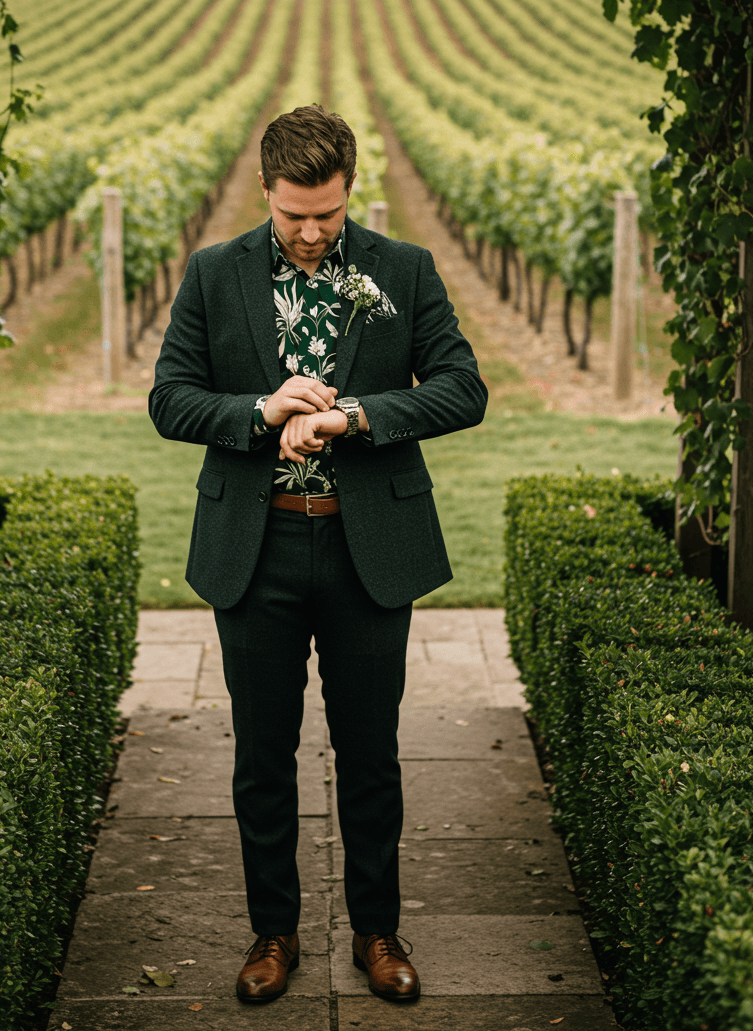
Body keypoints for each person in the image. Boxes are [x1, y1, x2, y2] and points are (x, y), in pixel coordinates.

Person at [150, 104, 487, 1004]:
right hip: (250, 550)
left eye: (328, 215)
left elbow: (463, 388)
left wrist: (362, 416)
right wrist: (260, 413)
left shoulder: (403, 270)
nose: (309, 233)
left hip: (366, 544)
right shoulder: (213, 273)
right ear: (264, 189)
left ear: (349, 195)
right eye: (294, 212)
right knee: (262, 756)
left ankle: (379, 930)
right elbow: (170, 399)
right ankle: (274, 933)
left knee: (370, 750)